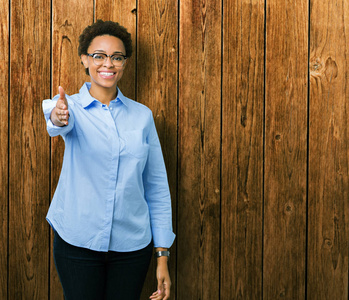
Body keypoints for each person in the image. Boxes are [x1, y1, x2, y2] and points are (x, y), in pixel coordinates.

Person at [42, 20, 175, 300]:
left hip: (132, 248)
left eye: (117, 57)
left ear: (124, 63)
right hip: (77, 243)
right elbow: (56, 120)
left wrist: (162, 254)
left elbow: (157, 187)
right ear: (85, 59)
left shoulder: (142, 117)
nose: (108, 64)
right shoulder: (70, 107)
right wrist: (57, 116)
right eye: (99, 55)